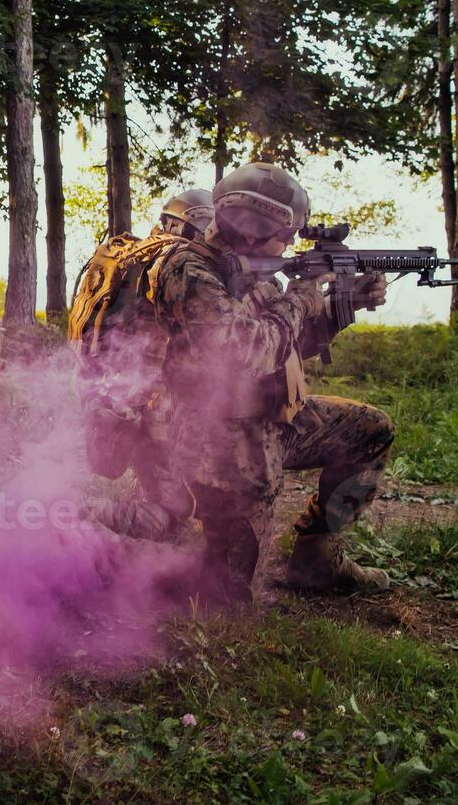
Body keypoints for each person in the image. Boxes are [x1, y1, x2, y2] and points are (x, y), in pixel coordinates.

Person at [145, 162, 394, 602]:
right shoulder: (187, 270)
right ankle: (147, 560)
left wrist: (345, 306)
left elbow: (286, 345)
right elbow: (243, 353)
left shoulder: (254, 272)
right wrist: (303, 295)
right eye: (286, 233)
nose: (291, 243)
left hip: (271, 418)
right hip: (215, 437)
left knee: (370, 432)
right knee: (229, 598)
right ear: (254, 231)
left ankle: (317, 561)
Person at [76, 189, 214, 543]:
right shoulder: (173, 265)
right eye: (202, 227)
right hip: (151, 405)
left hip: (112, 394)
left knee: (168, 494)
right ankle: (78, 515)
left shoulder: (130, 256)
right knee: (179, 511)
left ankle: (120, 509)